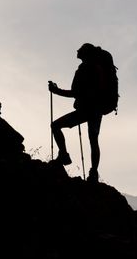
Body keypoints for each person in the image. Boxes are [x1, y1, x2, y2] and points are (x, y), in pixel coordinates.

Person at [48, 43, 106, 183]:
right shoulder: (98, 68)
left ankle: (63, 155)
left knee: (56, 125)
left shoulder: (83, 70)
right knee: (93, 140)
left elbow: (75, 93)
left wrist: (56, 91)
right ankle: (93, 173)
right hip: (97, 110)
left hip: (85, 110)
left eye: (80, 49)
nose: (77, 50)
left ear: (84, 53)